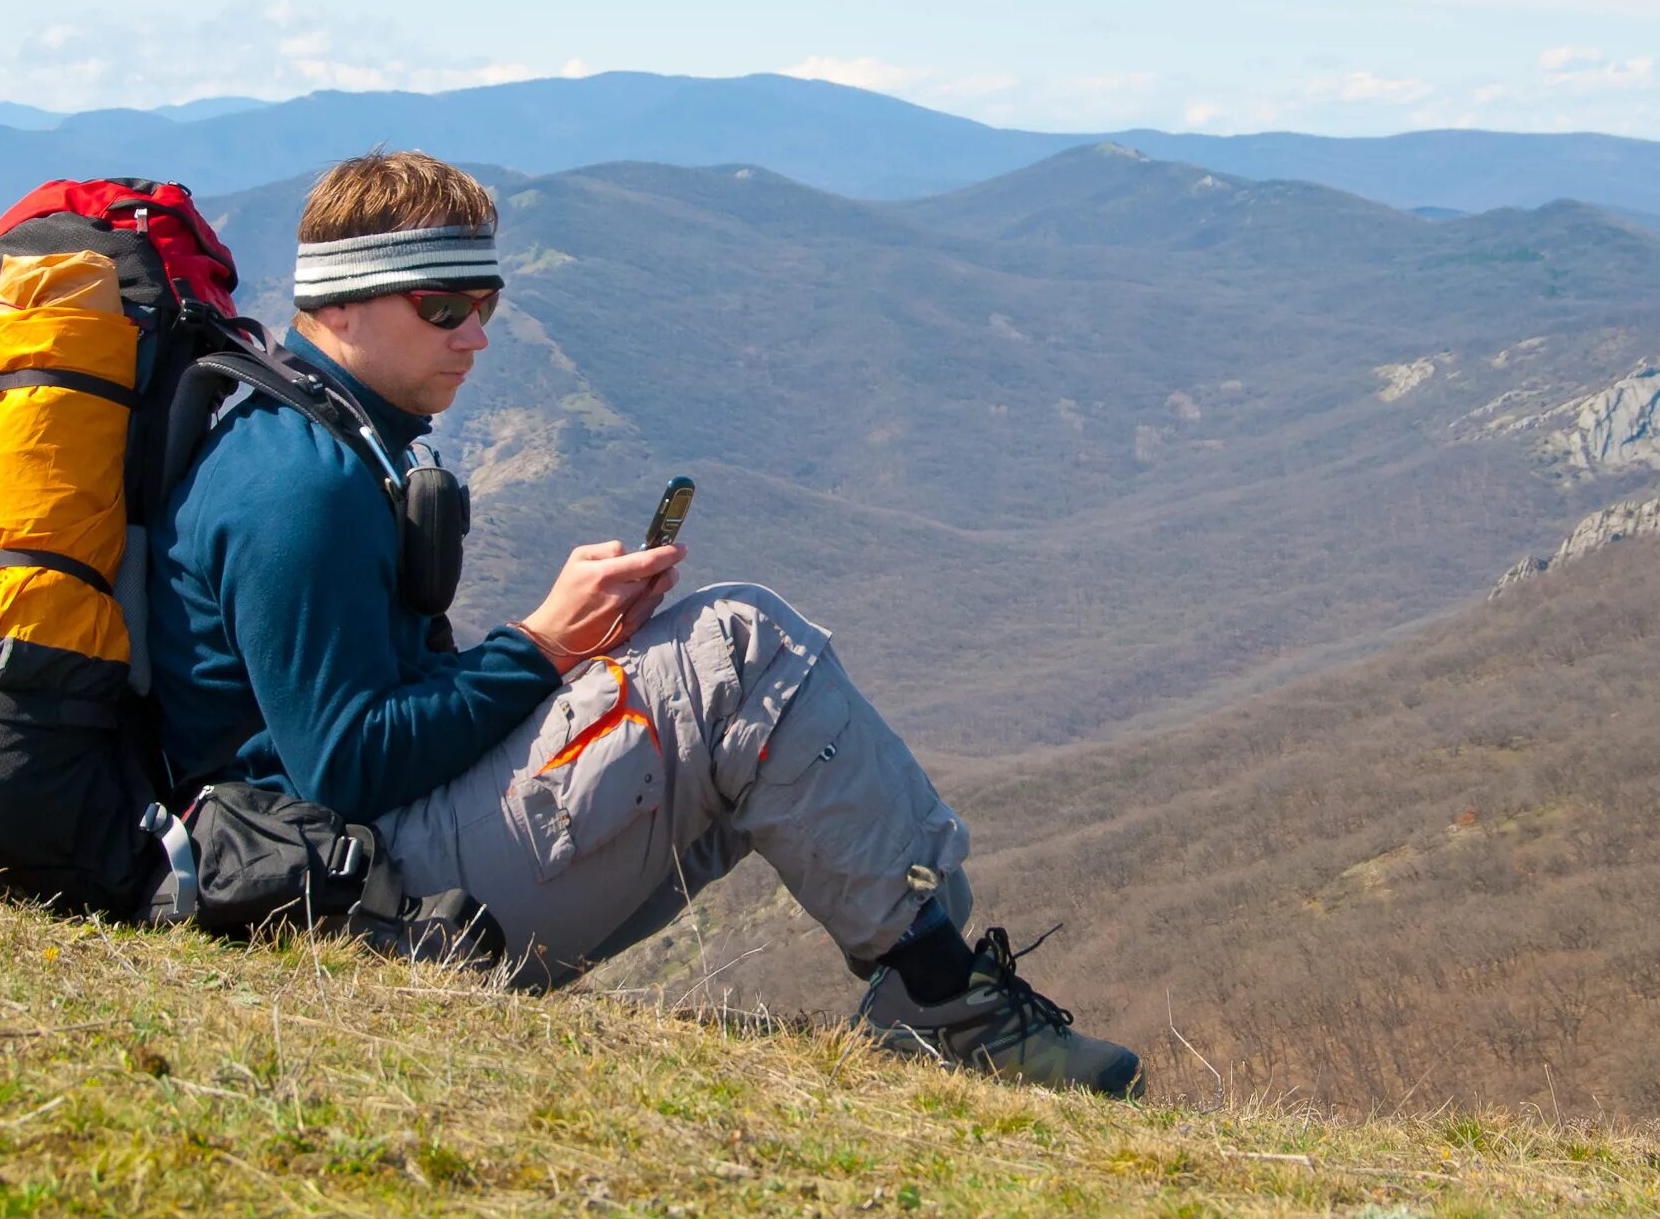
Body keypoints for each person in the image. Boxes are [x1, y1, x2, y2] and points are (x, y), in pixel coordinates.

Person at [151, 149, 1141, 1097]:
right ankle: (944, 1005)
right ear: (340, 301)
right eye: (442, 306)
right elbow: (347, 764)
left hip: (346, 873)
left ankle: (937, 974)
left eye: (484, 303)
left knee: (727, 714)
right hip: (345, 905)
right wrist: (540, 644)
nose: (475, 336)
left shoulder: (314, 441)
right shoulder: (297, 486)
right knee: (738, 647)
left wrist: (569, 645)